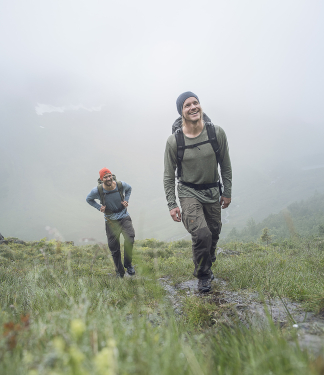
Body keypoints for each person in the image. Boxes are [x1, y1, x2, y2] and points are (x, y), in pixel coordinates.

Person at [163, 92, 232, 292]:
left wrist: (226, 191)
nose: (193, 107)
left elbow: (225, 166)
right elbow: (168, 176)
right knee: (201, 233)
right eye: (187, 105)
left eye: (196, 103)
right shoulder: (174, 141)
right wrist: (172, 204)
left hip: (212, 190)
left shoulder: (216, 133)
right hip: (188, 191)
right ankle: (203, 276)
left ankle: (207, 263)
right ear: (181, 112)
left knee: (214, 232)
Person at [86, 167, 135, 278]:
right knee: (114, 247)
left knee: (130, 238)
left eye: (109, 176)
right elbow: (88, 199)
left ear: (112, 176)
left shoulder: (120, 185)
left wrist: (126, 200)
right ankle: (119, 271)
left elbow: (129, 189)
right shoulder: (97, 191)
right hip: (110, 219)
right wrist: (99, 207)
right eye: (105, 177)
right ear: (101, 179)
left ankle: (128, 264)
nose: (108, 178)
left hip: (124, 216)